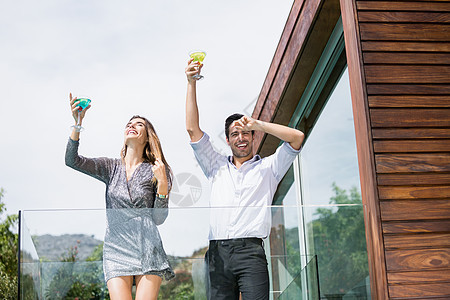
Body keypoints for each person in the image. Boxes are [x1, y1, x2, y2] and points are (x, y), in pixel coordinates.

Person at [185, 59, 305, 299]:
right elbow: (192, 129)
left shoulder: (270, 167)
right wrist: (191, 83)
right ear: (228, 141)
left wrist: (258, 123)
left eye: (246, 133)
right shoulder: (215, 165)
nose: (241, 138)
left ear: (253, 137)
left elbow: (297, 137)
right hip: (217, 252)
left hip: (251, 253)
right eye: (234, 134)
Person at [65, 94, 174, 300]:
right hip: (116, 248)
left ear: (147, 136)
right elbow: (72, 160)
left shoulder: (158, 170)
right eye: (129, 124)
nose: (132, 126)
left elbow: (159, 218)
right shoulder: (110, 167)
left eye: (138, 124)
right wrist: (77, 124)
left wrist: (162, 185)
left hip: (148, 247)